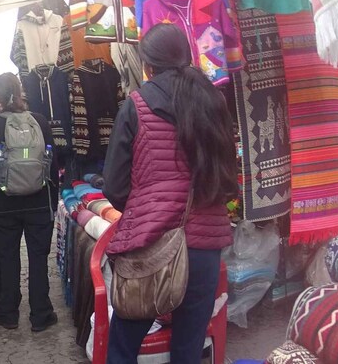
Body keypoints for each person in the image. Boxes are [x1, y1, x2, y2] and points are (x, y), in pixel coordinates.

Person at [100, 23, 236, 363]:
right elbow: (229, 175)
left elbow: (115, 187)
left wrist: (146, 205)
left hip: (151, 247)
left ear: (148, 65)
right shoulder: (214, 100)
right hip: (205, 248)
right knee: (188, 349)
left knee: (122, 347)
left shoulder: (136, 105)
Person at [0, 73, 59, 332]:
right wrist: (52, 204)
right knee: (38, 258)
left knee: (8, 259)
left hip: (3, 205)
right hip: (38, 204)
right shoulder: (41, 122)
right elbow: (52, 165)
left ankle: (8, 313)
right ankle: (41, 314)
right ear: (21, 92)